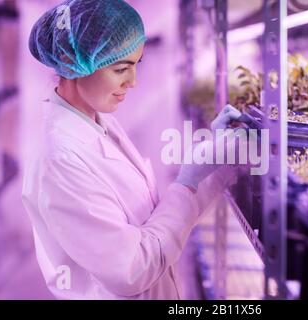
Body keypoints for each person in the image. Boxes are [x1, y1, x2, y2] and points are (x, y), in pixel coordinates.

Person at [22, 0, 244, 299]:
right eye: (121, 69)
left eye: (136, 65)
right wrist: (187, 182)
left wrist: (218, 163)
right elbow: (132, 269)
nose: (133, 82)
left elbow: (153, 222)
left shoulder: (100, 124)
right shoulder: (60, 158)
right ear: (70, 62)